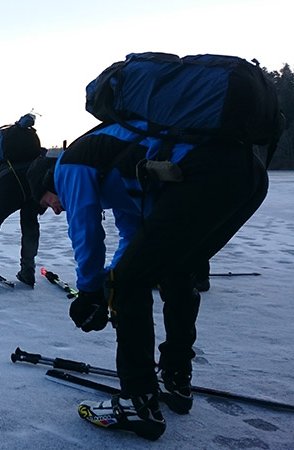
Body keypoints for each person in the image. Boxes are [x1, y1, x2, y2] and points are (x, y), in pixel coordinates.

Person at [26, 120, 268, 440]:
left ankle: (137, 403)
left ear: (46, 185)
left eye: (47, 203)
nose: (54, 210)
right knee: (177, 274)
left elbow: (86, 230)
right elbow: (134, 231)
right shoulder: (112, 166)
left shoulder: (68, 167)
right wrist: (112, 277)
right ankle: (176, 381)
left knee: (125, 287)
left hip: (204, 173)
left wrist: (91, 290)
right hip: (247, 175)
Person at [0, 124, 45, 294]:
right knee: (30, 222)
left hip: (7, 186)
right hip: (34, 180)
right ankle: (28, 271)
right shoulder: (33, 162)